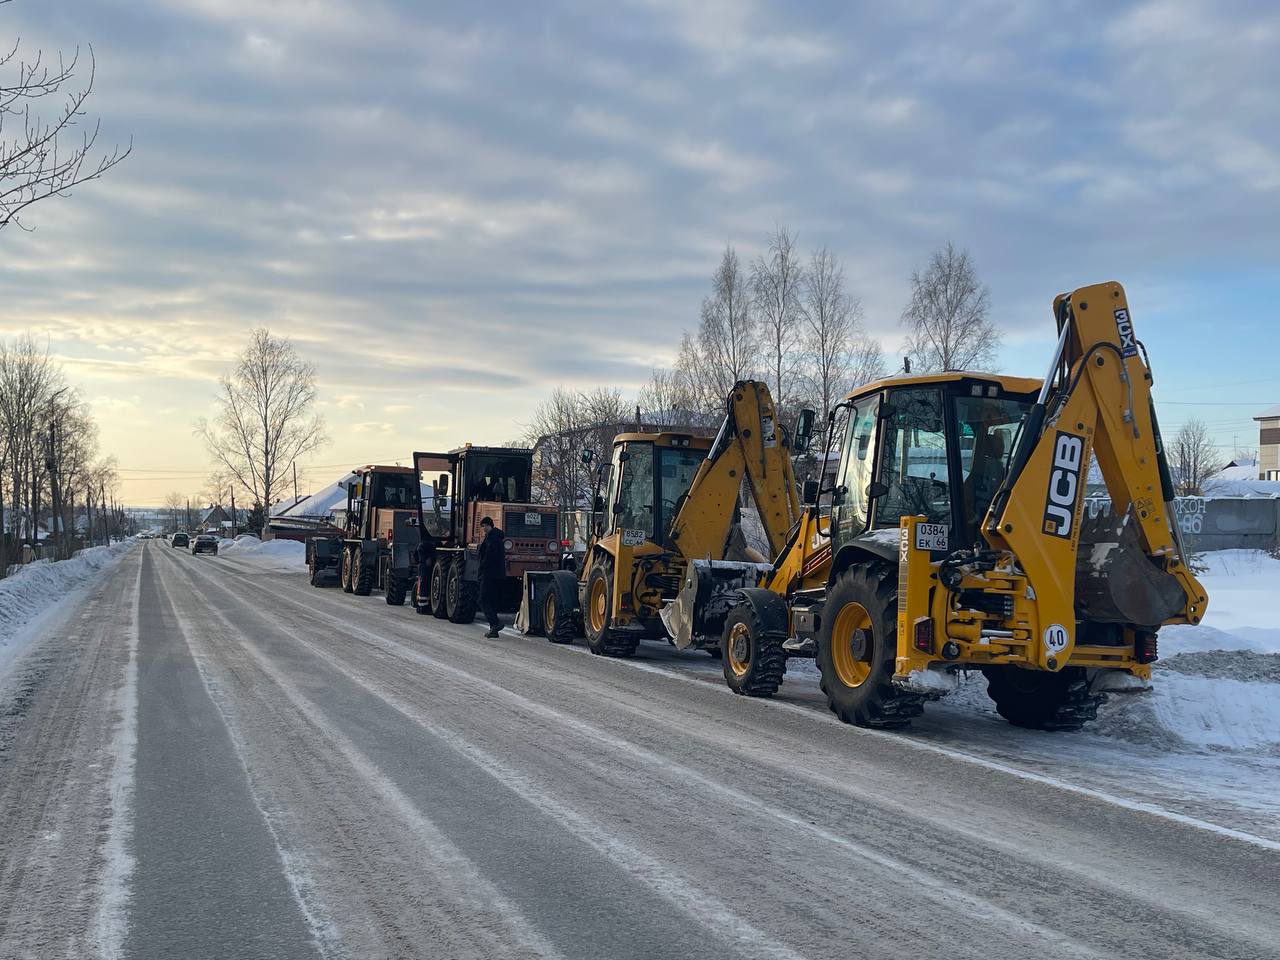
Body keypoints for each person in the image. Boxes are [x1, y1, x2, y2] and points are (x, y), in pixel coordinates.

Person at [477, 516, 506, 638]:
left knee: (483, 599)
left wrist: (482, 567)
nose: (483, 529)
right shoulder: (496, 537)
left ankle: (495, 623)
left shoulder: (492, 538)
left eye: (484, 526)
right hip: (497, 574)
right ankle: (493, 629)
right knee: (491, 600)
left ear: (488, 525)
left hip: (489, 574)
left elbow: (489, 556)